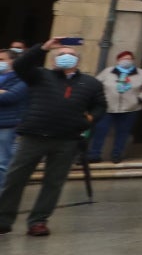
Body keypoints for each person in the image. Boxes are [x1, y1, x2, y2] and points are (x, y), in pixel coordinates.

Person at [0, 38, 104, 236]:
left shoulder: (90, 83)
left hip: (67, 138)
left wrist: (90, 119)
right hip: (34, 136)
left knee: (53, 182)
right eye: (62, 54)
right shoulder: (39, 75)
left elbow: (100, 105)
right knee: (15, 178)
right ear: (54, 59)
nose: (66, 57)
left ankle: (38, 221)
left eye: (71, 54)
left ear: (78, 60)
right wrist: (43, 48)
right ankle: (3, 219)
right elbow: (21, 64)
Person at [88, 49, 142, 165]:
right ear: (118, 60)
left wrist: (140, 99)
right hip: (108, 108)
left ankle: (117, 155)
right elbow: (95, 85)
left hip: (130, 108)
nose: (126, 61)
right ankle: (94, 155)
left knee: (123, 133)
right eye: (123, 59)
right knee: (100, 131)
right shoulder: (108, 72)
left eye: (129, 59)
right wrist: (99, 99)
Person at [0, 46, 24, 189]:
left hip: (7, 125)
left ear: (13, 62)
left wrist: (4, 94)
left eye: (2, 59)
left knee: (2, 163)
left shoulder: (21, 78)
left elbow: (11, 97)